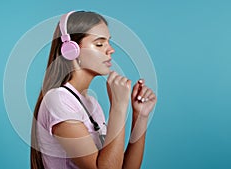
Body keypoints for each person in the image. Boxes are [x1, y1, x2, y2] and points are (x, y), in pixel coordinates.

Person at [30, 10, 157, 169]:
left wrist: (140, 116)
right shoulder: (58, 100)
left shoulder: (91, 104)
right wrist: (118, 107)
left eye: (108, 42)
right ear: (71, 50)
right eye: (99, 44)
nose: (111, 50)